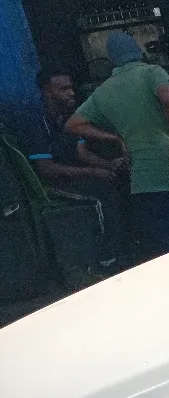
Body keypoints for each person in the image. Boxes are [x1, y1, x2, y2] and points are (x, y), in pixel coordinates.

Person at [66, 32, 169, 259]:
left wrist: (116, 137)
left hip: (143, 176)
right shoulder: (152, 72)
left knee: (167, 245)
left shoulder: (102, 91)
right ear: (138, 51)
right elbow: (168, 99)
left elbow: (74, 125)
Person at [30, 69, 130, 264]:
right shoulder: (36, 121)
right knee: (101, 197)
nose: (71, 93)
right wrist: (93, 172)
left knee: (120, 181)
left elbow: (82, 153)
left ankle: (127, 247)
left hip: (76, 174)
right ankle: (106, 260)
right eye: (64, 89)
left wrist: (110, 165)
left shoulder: (70, 117)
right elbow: (46, 169)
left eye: (71, 87)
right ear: (47, 91)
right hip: (52, 183)